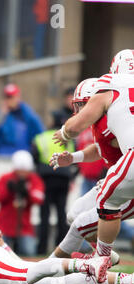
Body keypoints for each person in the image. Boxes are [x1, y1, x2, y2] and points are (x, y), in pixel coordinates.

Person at [52, 49, 134, 262]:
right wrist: (74, 157)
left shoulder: (109, 101)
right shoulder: (114, 114)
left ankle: (53, 263)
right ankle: (106, 256)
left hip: (127, 181)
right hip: (124, 176)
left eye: (83, 104)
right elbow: (101, 149)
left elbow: (75, 128)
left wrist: (113, 179)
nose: (81, 109)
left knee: (81, 222)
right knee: (74, 215)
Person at [32, 106, 76, 255]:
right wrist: (72, 177)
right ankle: (61, 249)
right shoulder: (68, 139)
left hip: (45, 179)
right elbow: (75, 160)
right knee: (61, 214)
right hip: (63, 179)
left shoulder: (41, 137)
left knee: (44, 215)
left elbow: (34, 158)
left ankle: (41, 249)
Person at [0, 150, 44, 257]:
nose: (23, 174)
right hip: (4, 225)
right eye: (20, 171)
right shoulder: (6, 178)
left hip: (24, 227)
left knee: (29, 253)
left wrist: (27, 193)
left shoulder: (34, 179)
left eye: (25, 171)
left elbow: (39, 198)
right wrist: (9, 190)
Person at [0, 83, 44, 156]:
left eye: (12, 97)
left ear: (18, 97)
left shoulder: (27, 113)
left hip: (23, 153)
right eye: (7, 97)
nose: (10, 100)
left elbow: (40, 132)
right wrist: (1, 114)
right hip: (3, 153)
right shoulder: (0, 114)